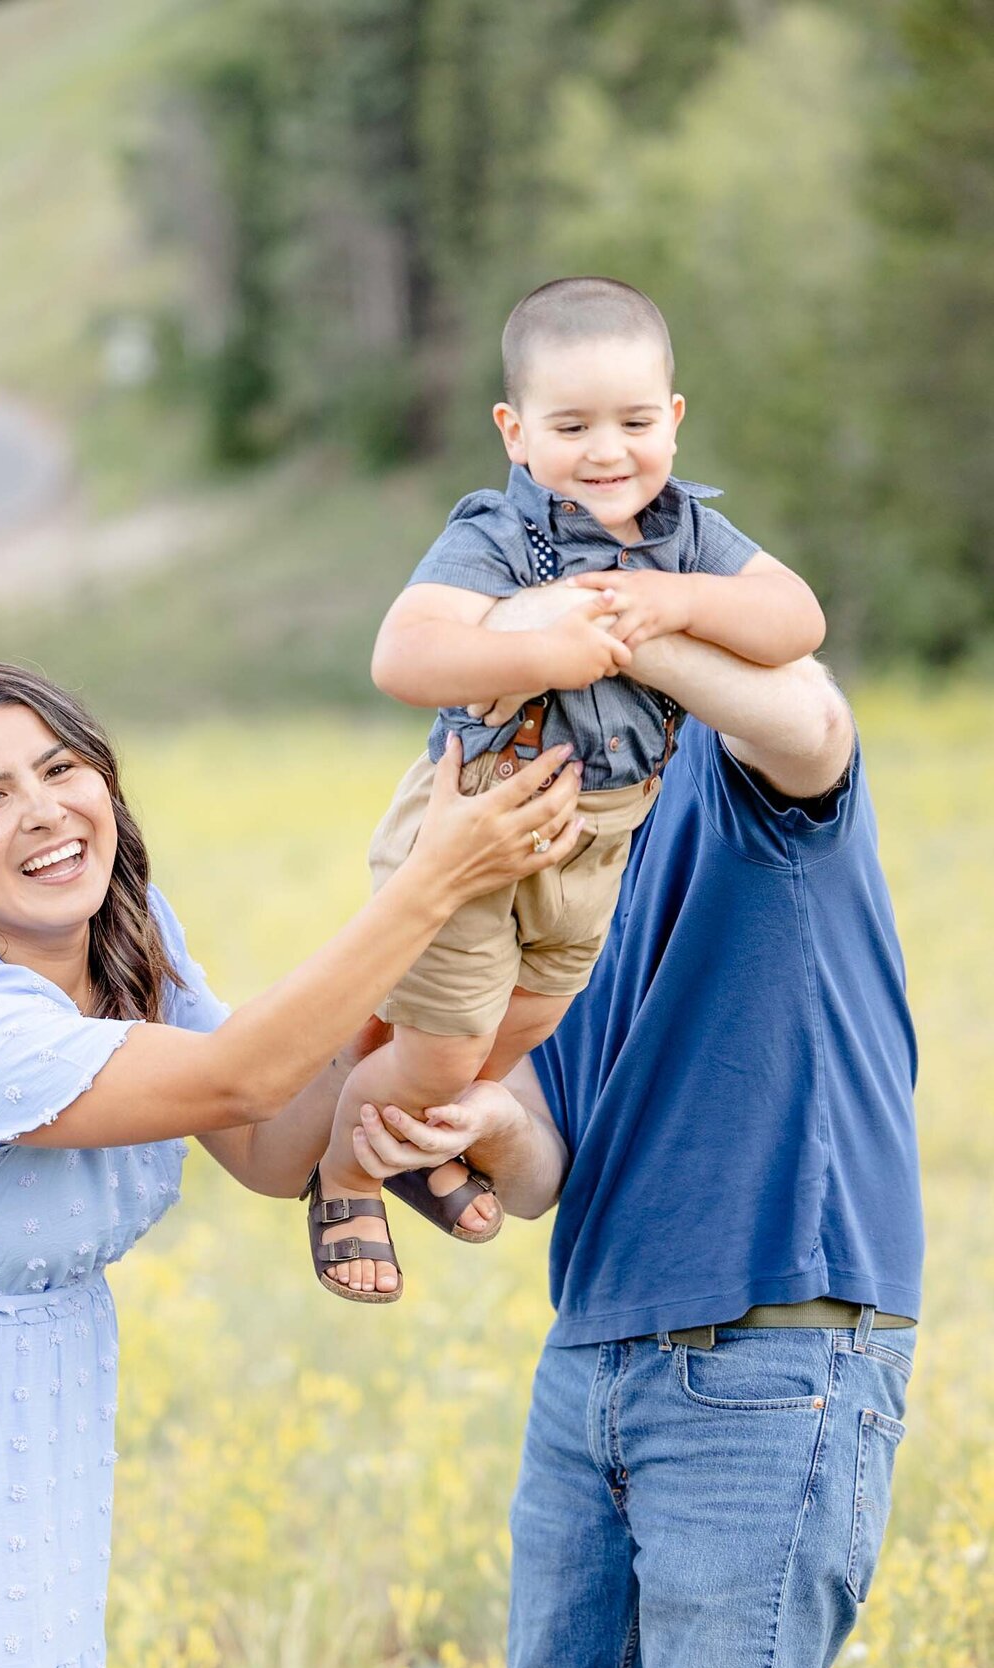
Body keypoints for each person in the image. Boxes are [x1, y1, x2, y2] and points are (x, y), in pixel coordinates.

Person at [0, 660, 582, 1668]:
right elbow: (235, 1082)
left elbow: (273, 1144)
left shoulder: (122, 944)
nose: (44, 811)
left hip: (24, 1441)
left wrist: (442, 982)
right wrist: (423, 885)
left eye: (61, 769)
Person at [350, 620, 922, 1668]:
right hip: (592, 1365)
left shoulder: (743, 769)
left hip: (770, 1365)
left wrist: (613, 620)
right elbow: (542, 1164)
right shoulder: (537, 865)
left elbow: (814, 719)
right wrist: (487, 1127)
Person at [305, 276, 826, 1302]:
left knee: (522, 1031)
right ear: (515, 431)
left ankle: (414, 1126)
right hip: (478, 829)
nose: (607, 451)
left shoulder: (686, 539)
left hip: (594, 849)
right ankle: (344, 1171)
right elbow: (403, 657)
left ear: (673, 421)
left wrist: (678, 598)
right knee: (447, 1052)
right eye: (572, 424)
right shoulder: (498, 537)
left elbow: (794, 619)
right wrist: (542, 647)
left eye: (635, 421)